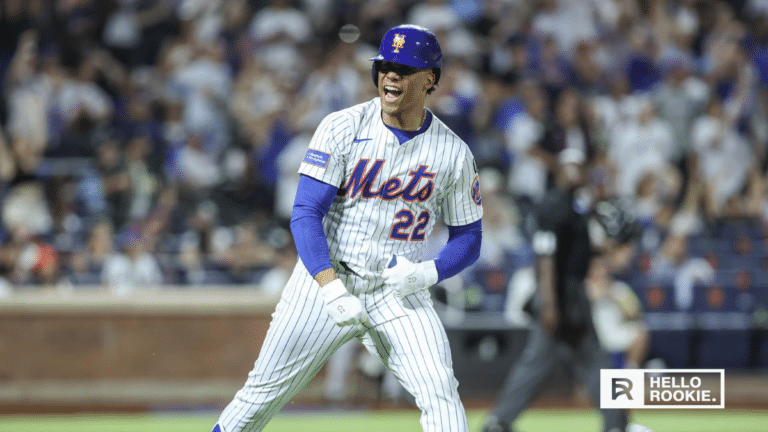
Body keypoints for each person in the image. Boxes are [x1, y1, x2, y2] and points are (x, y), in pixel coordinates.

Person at [212, 25, 483, 432]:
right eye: (385, 66)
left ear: (430, 79)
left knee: (440, 389)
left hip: (399, 290)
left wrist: (428, 272)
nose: (391, 75)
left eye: (404, 68)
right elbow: (305, 213)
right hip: (325, 281)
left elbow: (469, 237)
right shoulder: (343, 126)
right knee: (258, 399)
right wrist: (329, 286)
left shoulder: (454, 152)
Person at [480, 149, 647, 432]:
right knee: (590, 362)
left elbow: (576, 253)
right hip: (560, 295)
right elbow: (545, 256)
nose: (574, 172)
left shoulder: (573, 207)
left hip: (567, 295)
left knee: (553, 364)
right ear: (558, 171)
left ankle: (499, 421)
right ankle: (618, 425)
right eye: (568, 166)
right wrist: (549, 303)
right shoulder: (555, 204)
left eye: (578, 166)